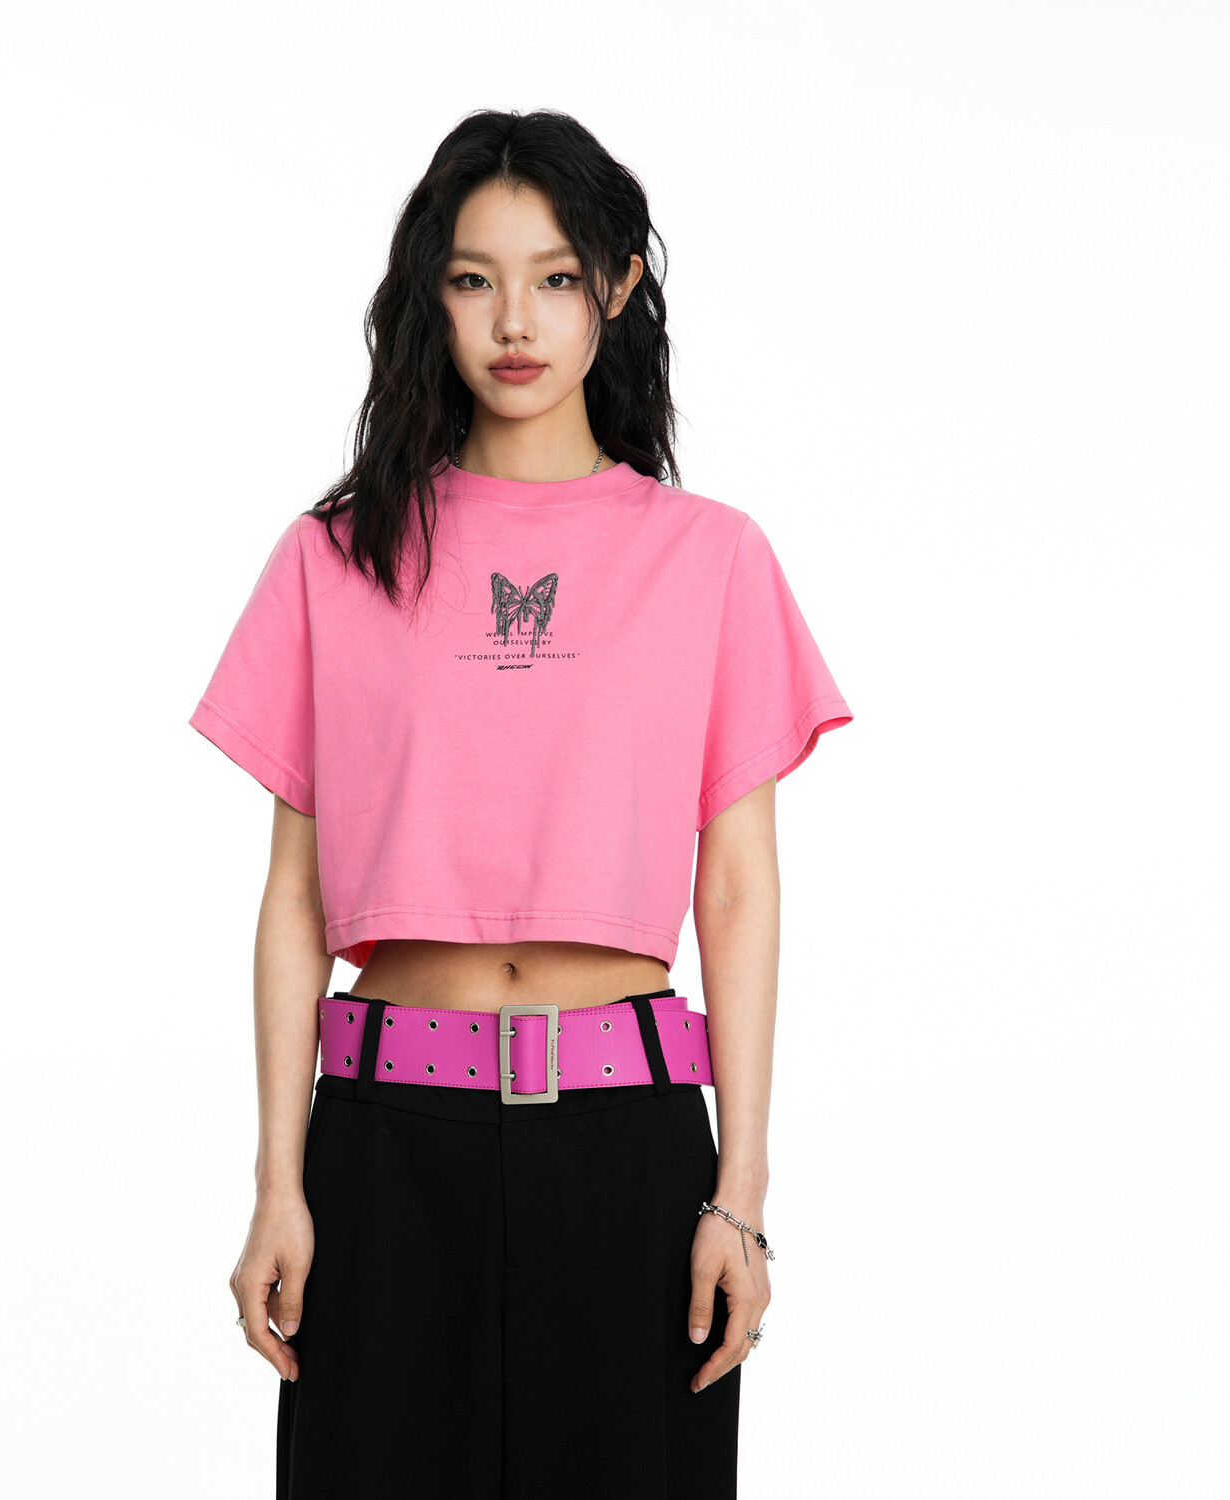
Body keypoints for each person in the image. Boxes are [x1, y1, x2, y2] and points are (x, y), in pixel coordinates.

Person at [188, 107, 852, 1499]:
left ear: (617, 287)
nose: (514, 322)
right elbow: (295, 898)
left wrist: (741, 1196)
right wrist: (277, 1183)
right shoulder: (335, 557)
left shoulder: (711, 559)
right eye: (473, 279)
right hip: (385, 1149)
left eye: (555, 278)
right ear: (428, 298)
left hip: (629, 1148)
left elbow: (737, 887)